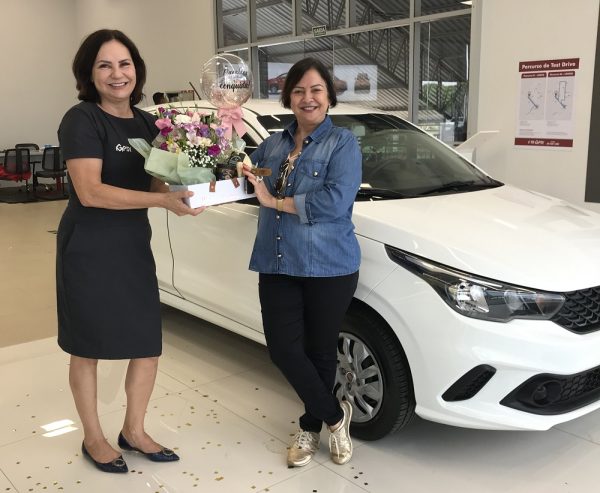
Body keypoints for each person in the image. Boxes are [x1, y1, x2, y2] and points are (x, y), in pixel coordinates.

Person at [56, 29, 203, 473]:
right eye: (104, 65)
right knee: (87, 346)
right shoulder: (81, 120)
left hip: (132, 245)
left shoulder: (148, 124)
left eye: (124, 64)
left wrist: (196, 179)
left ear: (136, 70)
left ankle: (134, 430)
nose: (116, 74)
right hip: (88, 247)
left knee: (146, 343)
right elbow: (90, 192)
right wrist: (162, 201)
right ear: (89, 73)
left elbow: (157, 184)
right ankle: (93, 437)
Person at [243, 58, 362, 468]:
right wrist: (234, 169)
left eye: (315, 90)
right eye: (298, 91)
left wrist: (273, 201)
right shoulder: (273, 144)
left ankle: (310, 428)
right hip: (277, 261)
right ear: (288, 97)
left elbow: (335, 201)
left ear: (329, 96)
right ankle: (336, 416)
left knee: (320, 352)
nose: (307, 98)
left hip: (328, 265)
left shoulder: (342, 143)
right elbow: (251, 177)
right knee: (282, 349)